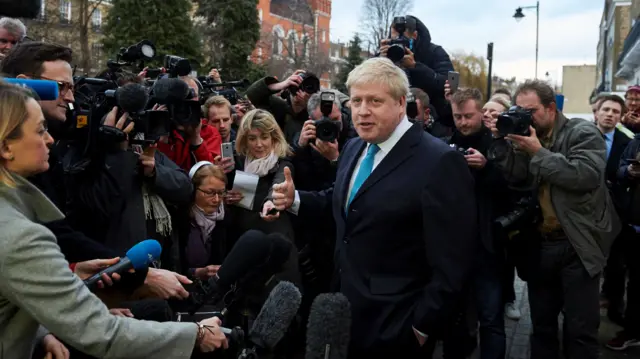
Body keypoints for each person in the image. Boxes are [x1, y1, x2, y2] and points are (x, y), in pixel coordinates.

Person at [0, 83, 228, 358]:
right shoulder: (22, 235)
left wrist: (42, 330)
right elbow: (101, 333)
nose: (50, 139)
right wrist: (196, 334)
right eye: (40, 130)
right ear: (5, 147)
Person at [271, 57, 477, 358]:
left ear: (400, 103)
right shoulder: (355, 146)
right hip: (343, 313)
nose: (363, 111)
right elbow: (346, 200)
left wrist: (421, 327)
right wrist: (295, 199)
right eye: (356, 101)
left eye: (375, 101)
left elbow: (454, 261)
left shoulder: (440, 162)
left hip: (398, 325)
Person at [488, 80, 620, 359]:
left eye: (530, 110)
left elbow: (584, 176)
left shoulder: (582, 132)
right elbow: (517, 178)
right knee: (542, 327)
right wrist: (502, 142)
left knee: (580, 331)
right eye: (519, 110)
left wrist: (537, 151)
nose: (526, 116)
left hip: (578, 244)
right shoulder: (527, 134)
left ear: (551, 108)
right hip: (540, 244)